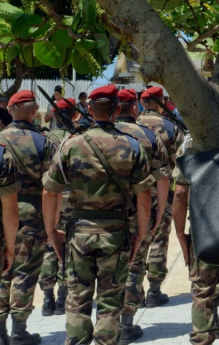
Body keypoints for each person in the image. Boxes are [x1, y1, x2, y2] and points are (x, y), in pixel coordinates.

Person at [43, 85, 152, 345]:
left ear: (89, 110)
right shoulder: (133, 147)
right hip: (116, 233)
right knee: (111, 301)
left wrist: (51, 231)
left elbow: (50, 192)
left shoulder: (70, 144)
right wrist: (141, 233)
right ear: (116, 111)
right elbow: (144, 195)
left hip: (79, 232)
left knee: (77, 300)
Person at [0, 90, 57, 344]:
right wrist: (51, 225)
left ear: (10, 110)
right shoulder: (44, 142)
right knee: (25, 272)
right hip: (32, 214)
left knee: (3, 270)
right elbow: (50, 188)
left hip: (3, 212)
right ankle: (19, 331)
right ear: (35, 112)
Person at [116, 88, 171, 343]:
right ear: (135, 107)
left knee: (108, 267)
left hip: (104, 213)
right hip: (141, 209)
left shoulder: (93, 136)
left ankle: (107, 321)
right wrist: (160, 210)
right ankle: (126, 323)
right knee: (135, 263)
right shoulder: (150, 135)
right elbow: (163, 176)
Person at [173, 166, 219, 344]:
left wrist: (180, 234)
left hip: (203, 232)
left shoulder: (195, 150)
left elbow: (180, 193)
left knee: (202, 292)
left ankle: (202, 339)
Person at [137, 86, 184, 308]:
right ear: (162, 101)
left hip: (134, 194)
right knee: (158, 239)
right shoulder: (171, 128)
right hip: (162, 191)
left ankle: (133, 291)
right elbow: (181, 160)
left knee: (136, 239)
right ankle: (154, 290)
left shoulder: (129, 126)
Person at [39, 98, 79, 318]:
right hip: (71, 199)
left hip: (49, 199)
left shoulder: (45, 140)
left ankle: (47, 299)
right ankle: (64, 296)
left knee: (48, 246)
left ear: (53, 116)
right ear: (73, 116)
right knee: (69, 248)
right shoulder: (78, 139)